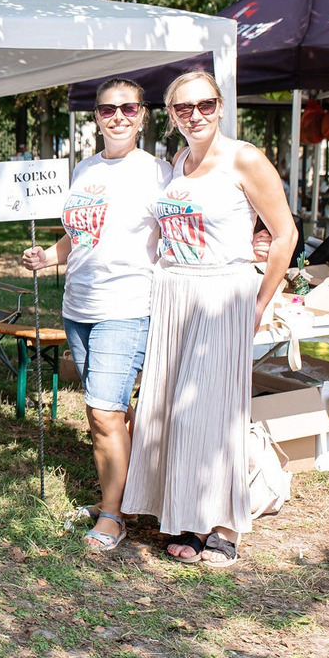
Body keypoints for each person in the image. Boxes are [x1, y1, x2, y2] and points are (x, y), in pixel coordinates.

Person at [122, 72, 295, 566]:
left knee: (216, 413)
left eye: (204, 105)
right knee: (175, 409)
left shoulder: (245, 158)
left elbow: (284, 235)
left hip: (224, 293)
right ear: (171, 114)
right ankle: (187, 513)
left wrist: (260, 302)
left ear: (220, 107)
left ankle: (224, 527)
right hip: (175, 292)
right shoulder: (179, 160)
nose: (194, 115)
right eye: (182, 108)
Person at [21, 79, 170, 552]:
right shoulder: (84, 168)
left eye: (129, 108)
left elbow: (186, 226)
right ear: (97, 116)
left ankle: (112, 516)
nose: (118, 117)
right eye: (108, 109)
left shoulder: (158, 172)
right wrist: (49, 256)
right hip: (78, 305)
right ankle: (123, 497)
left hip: (125, 307)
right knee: (111, 414)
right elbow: (80, 233)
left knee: (102, 412)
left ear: (143, 114)